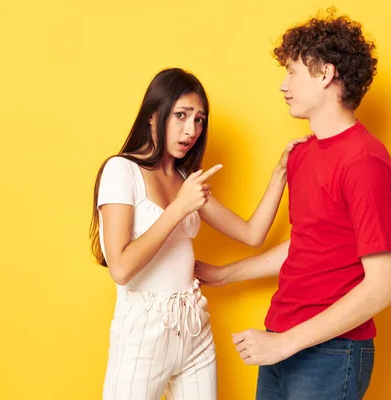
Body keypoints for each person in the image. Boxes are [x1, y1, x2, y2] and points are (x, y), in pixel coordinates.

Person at [195, 13, 391, 400]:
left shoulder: (364, 163)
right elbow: (308, 244)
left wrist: (286, 343)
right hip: (280, 341)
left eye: (292, 72)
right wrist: (224, 274)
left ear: (325, 74)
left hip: (331, 352)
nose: (283, 85)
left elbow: (383, 288)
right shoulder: (302, 155)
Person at [89, 68, 307, 400]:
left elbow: (252, 234)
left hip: (194, 328)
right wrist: (179, 207)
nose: (190, 130)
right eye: (181, 115)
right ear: (152, 116)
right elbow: (120, 268)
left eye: (199, 120)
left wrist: (281, 172)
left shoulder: (185, 179)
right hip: (143, 332)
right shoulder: (122, 171)